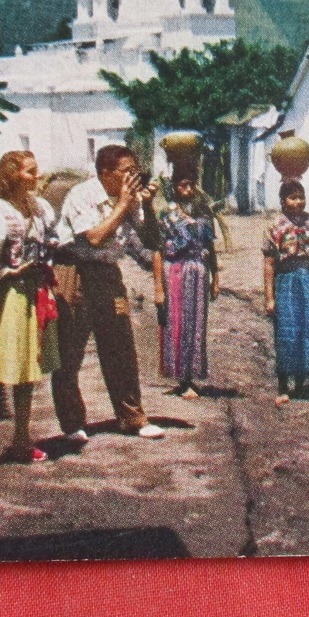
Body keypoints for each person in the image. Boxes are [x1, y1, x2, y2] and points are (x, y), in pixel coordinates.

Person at [52, 145, 166, 441]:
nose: (134, 177)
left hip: (106, 273)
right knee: (70, 351)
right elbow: (94, 238)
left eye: (135, 170)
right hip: (74, 271)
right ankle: (72, 423)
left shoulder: (131, 198)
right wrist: (123, 206)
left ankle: (132, 417)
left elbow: (152, 242)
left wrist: (148, 206)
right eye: (127, 171)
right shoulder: (82, 195)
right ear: (105, 172)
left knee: (120, 346)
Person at [0, 151, 61, 472]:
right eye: (29, 172)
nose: (35, 176)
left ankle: (21, 439)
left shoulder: (39, 208)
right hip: (11, 295)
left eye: (35, 171)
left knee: (27, 369)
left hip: (36, 292)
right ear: (12, 174)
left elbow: (52, 242)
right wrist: (12, 271)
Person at [262, 180, 309, 405]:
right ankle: (283, 385)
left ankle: (302, 383)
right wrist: (269, 296)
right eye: (293, 197)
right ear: (283, 201)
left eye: (301, 196)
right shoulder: (274, 226)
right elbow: (269, 264)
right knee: (287, 333)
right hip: (287, 283)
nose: (298, 201)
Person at [153, 166, 220, 399]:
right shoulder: (166, 216)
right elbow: (157, 252)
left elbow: (210, 248)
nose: (188, 189)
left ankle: (191, 378)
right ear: (174, 187)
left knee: (196, 324)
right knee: (176, 323)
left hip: (199, 272)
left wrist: (216, 279)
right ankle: (181, 379)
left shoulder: (204, 214)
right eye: (183, 185)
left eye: (191, 184)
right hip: (175, 271)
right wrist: (158, 288)